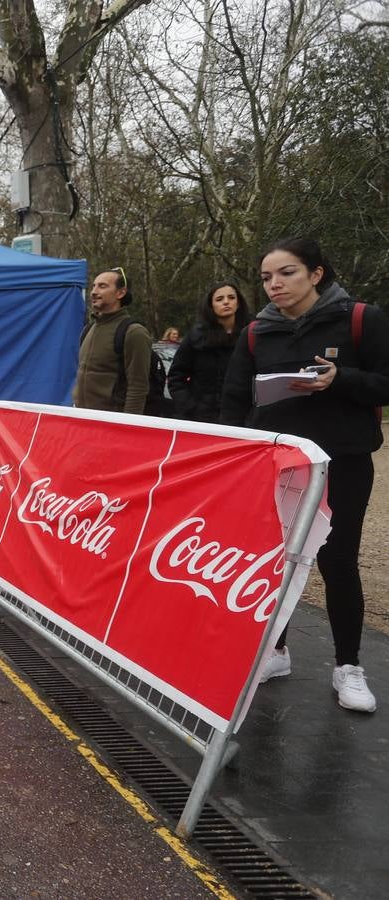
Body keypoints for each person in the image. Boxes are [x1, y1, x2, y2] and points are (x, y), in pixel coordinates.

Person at [221, 237, 389, 714]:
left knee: (338, 562)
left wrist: (344, 379)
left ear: (317, 274)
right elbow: (234, 397)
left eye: (287, 273)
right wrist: (237, 446)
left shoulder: (361, 319)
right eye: (267, 277)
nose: (275, 284)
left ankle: (348, 666)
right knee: (279, 561)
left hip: (343, 462)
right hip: (278, 465)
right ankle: (276, 651)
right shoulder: (257, 332)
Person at [168, 281, 253, 423]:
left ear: (238, 303)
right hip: (203, 419)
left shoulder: (252, 333)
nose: (226, 302)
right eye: (219, 299)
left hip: (243, 419)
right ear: (211, 305)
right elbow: (176, 377)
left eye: (231, 297)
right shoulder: (196, 336)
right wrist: (190, 407)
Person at [74, 268, 152, 413]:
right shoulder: (88, 330)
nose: (94, 292)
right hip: (82, 421)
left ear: (121, 293)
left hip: (111, 425)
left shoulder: (134, 332)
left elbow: (138, 387)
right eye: (94, 286)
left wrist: (126, 428)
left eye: (102, 286)